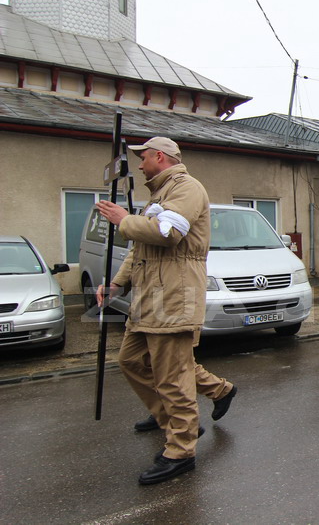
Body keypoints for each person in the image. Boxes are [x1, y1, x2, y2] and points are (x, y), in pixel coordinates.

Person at [95, 136, 214, 485]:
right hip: (149, 299)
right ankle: (175, 422)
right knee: (131, 360)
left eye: (143, 157)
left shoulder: (186, 188)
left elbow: (168, 233)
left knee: (173, 378)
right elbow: (141, 248)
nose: (139, 163)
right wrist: (117, 283)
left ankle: (181, 449)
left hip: (174, 298)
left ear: (159, 156)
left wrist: (124, 220)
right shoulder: (159, 194)